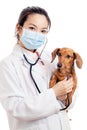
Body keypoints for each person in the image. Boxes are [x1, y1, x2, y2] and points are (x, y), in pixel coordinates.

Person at [0, 6, 74, 130]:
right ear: (19, 28)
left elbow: (70, 95)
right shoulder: (7, 65)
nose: (37, 34)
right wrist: (54, 93)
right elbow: (16, 108)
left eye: (43, 31)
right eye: (32, 28)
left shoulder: (51, 58)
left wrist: (66, 96)